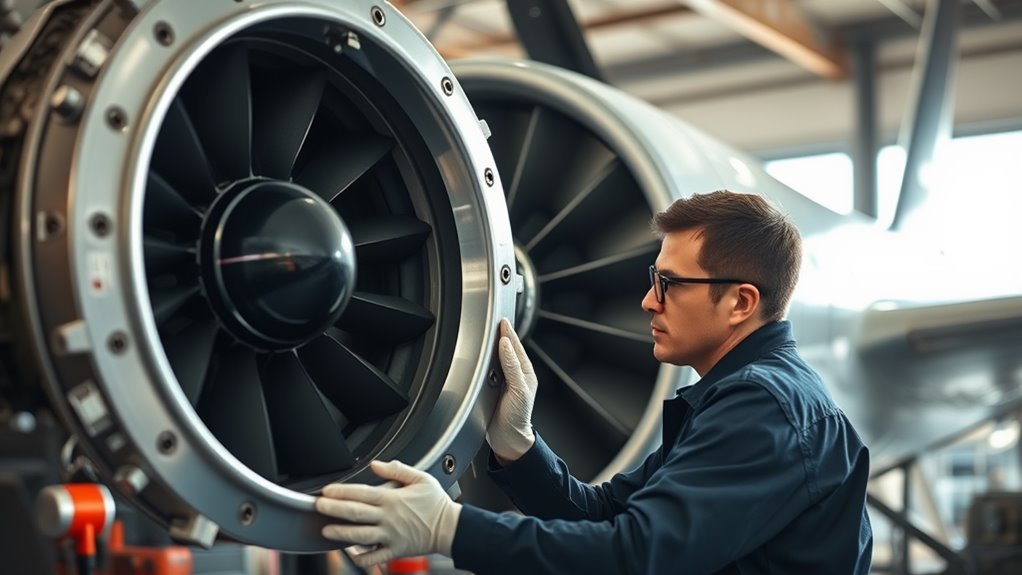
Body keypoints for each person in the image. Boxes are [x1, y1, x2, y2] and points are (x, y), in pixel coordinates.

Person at [315, 190, 873, 574]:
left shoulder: (765, 407)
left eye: (670, 283)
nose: (648, 300)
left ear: (740, 302)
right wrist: (519, 446)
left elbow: (636, 558)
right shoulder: (738, 397)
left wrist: (450, 529)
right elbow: (606, 515)